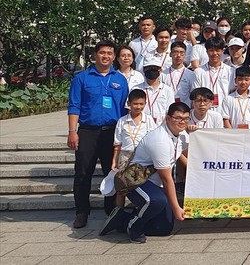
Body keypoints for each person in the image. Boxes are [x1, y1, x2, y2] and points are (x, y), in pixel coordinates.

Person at [100, 102, 190, 243]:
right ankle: (134, 227)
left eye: (185, 118)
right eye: (178, 118)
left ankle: (122, 219)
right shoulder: (160, 140)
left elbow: (181, 154)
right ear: (167, 118)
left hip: (154, 184)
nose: (182, 122)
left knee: (164, 228)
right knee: (155, 201)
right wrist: (176, 207)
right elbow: (166, 179)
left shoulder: (182, 134)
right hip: (135, 181)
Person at [68, 40, 129, 228]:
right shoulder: (82, 78)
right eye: (102, 52)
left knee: (111, 172)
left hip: (111, 132)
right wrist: (72, 132)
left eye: (110, 53)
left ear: (114, 57)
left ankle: (110, 210)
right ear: (95, 55)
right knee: (82, 172)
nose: (106, 56)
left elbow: (124, 109)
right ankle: (82, 211)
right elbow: (74, 105)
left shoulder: (120, 79)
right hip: (87, 131)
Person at [111, 89, 157, 208]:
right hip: (125, 157)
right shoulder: (122, 121)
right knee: (121, 187)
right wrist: (114, 161)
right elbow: (117, 143)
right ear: (129, 103)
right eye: (135, 104)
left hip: (143, 157)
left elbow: (153, 140)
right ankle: (118, 212)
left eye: (141, 104)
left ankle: (141, 209)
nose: (138, 107)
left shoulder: (148, 120)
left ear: (145, 104)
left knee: (141, 184)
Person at [191, 37, 234, 110]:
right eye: (211, 50)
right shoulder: (198, 72)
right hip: (205, 113)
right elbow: (196, 95)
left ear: (222, 51)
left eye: (217, 50)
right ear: (206, 51)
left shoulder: (231, 71)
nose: (214, 53)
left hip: (225, 111)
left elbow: (232, 93)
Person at [133, 57, 175, 125]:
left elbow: (170, 111)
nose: (151, 71)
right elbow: (131, 109)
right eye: (148, 68)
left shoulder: (167, 90)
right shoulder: (136, 88)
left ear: (160, 70)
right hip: (141, 127)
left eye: (155, 68)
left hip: (162, 127)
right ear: (144, 70)